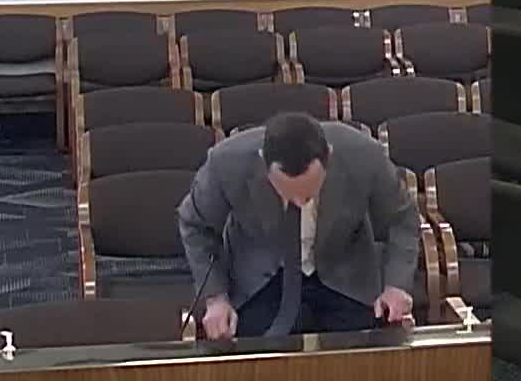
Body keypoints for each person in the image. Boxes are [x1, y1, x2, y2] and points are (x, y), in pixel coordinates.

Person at [179, 112, 421, 339]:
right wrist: (216, 298)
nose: (298, 202)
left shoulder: (364, 155)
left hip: (344, 275)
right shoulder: (226, 163)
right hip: (261, 279)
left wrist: (396, 286)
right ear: (263, 161)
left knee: (361, 354)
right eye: (287, 192)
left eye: (308, 193)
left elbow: (402, 217)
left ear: (329, 156)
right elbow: (195, 224)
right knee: (259, 355)